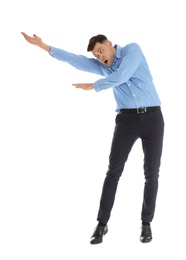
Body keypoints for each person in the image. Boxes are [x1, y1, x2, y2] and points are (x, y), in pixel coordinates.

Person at [21, 32, 164, 244]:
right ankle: (101, 225)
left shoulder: (133, 50)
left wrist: (95, 86)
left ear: (109, 44)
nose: (99, 57)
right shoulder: (103, 67)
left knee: (151, 174)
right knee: (113, 171)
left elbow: (123, 75)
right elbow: (75, 60)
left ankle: (146, 223)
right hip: (126, 121)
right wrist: (45, 47)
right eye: (96, 56)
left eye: (100, 51)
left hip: (153, 117)